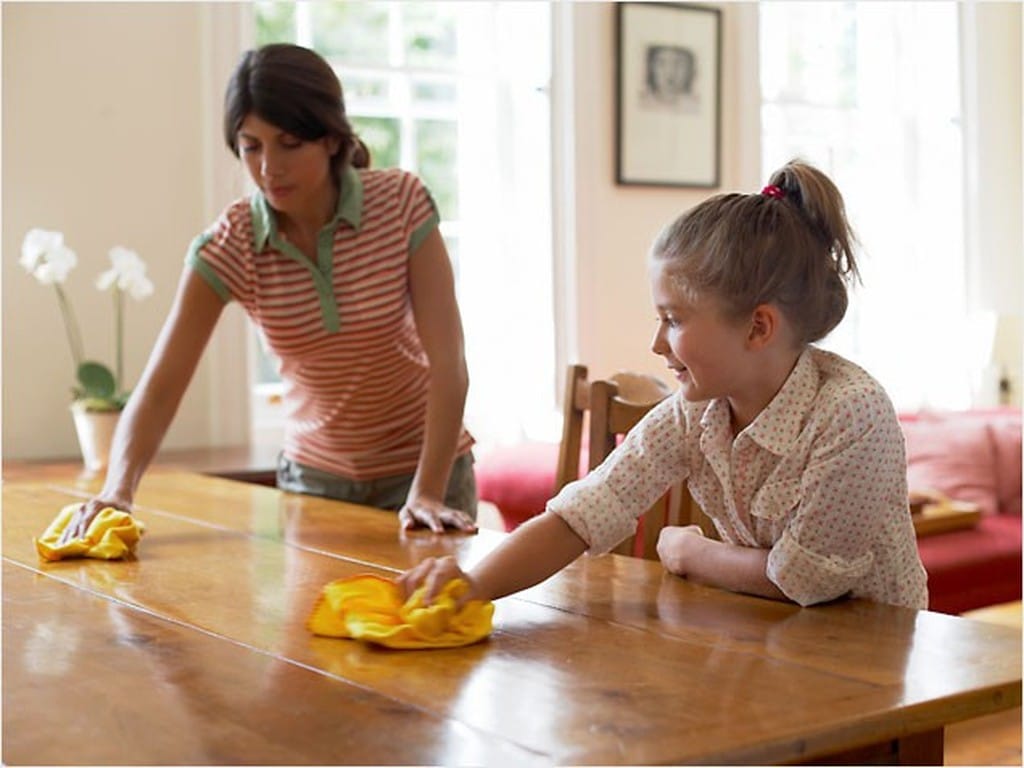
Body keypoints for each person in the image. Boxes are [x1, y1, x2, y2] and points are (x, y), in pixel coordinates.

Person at [400, 160, 928, 611]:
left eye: (673, 319)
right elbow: (586, 511)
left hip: (876, 660)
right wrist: (474, 585)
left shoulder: (851, 413)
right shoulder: (692, 413)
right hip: (779, 641)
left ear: (757, 327)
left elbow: (807, 580)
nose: (657, 343)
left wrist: (688, 553)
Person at [60, 43, 477, 542]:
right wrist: (117, 491)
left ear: (329, 138)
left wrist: (427, 490)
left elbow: (449, 362)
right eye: (251, 146)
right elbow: (160, 387)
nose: (268, 168)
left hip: (429, 476)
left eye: (288, 143)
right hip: (315, 486)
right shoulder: (231, 244)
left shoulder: (402, 204)